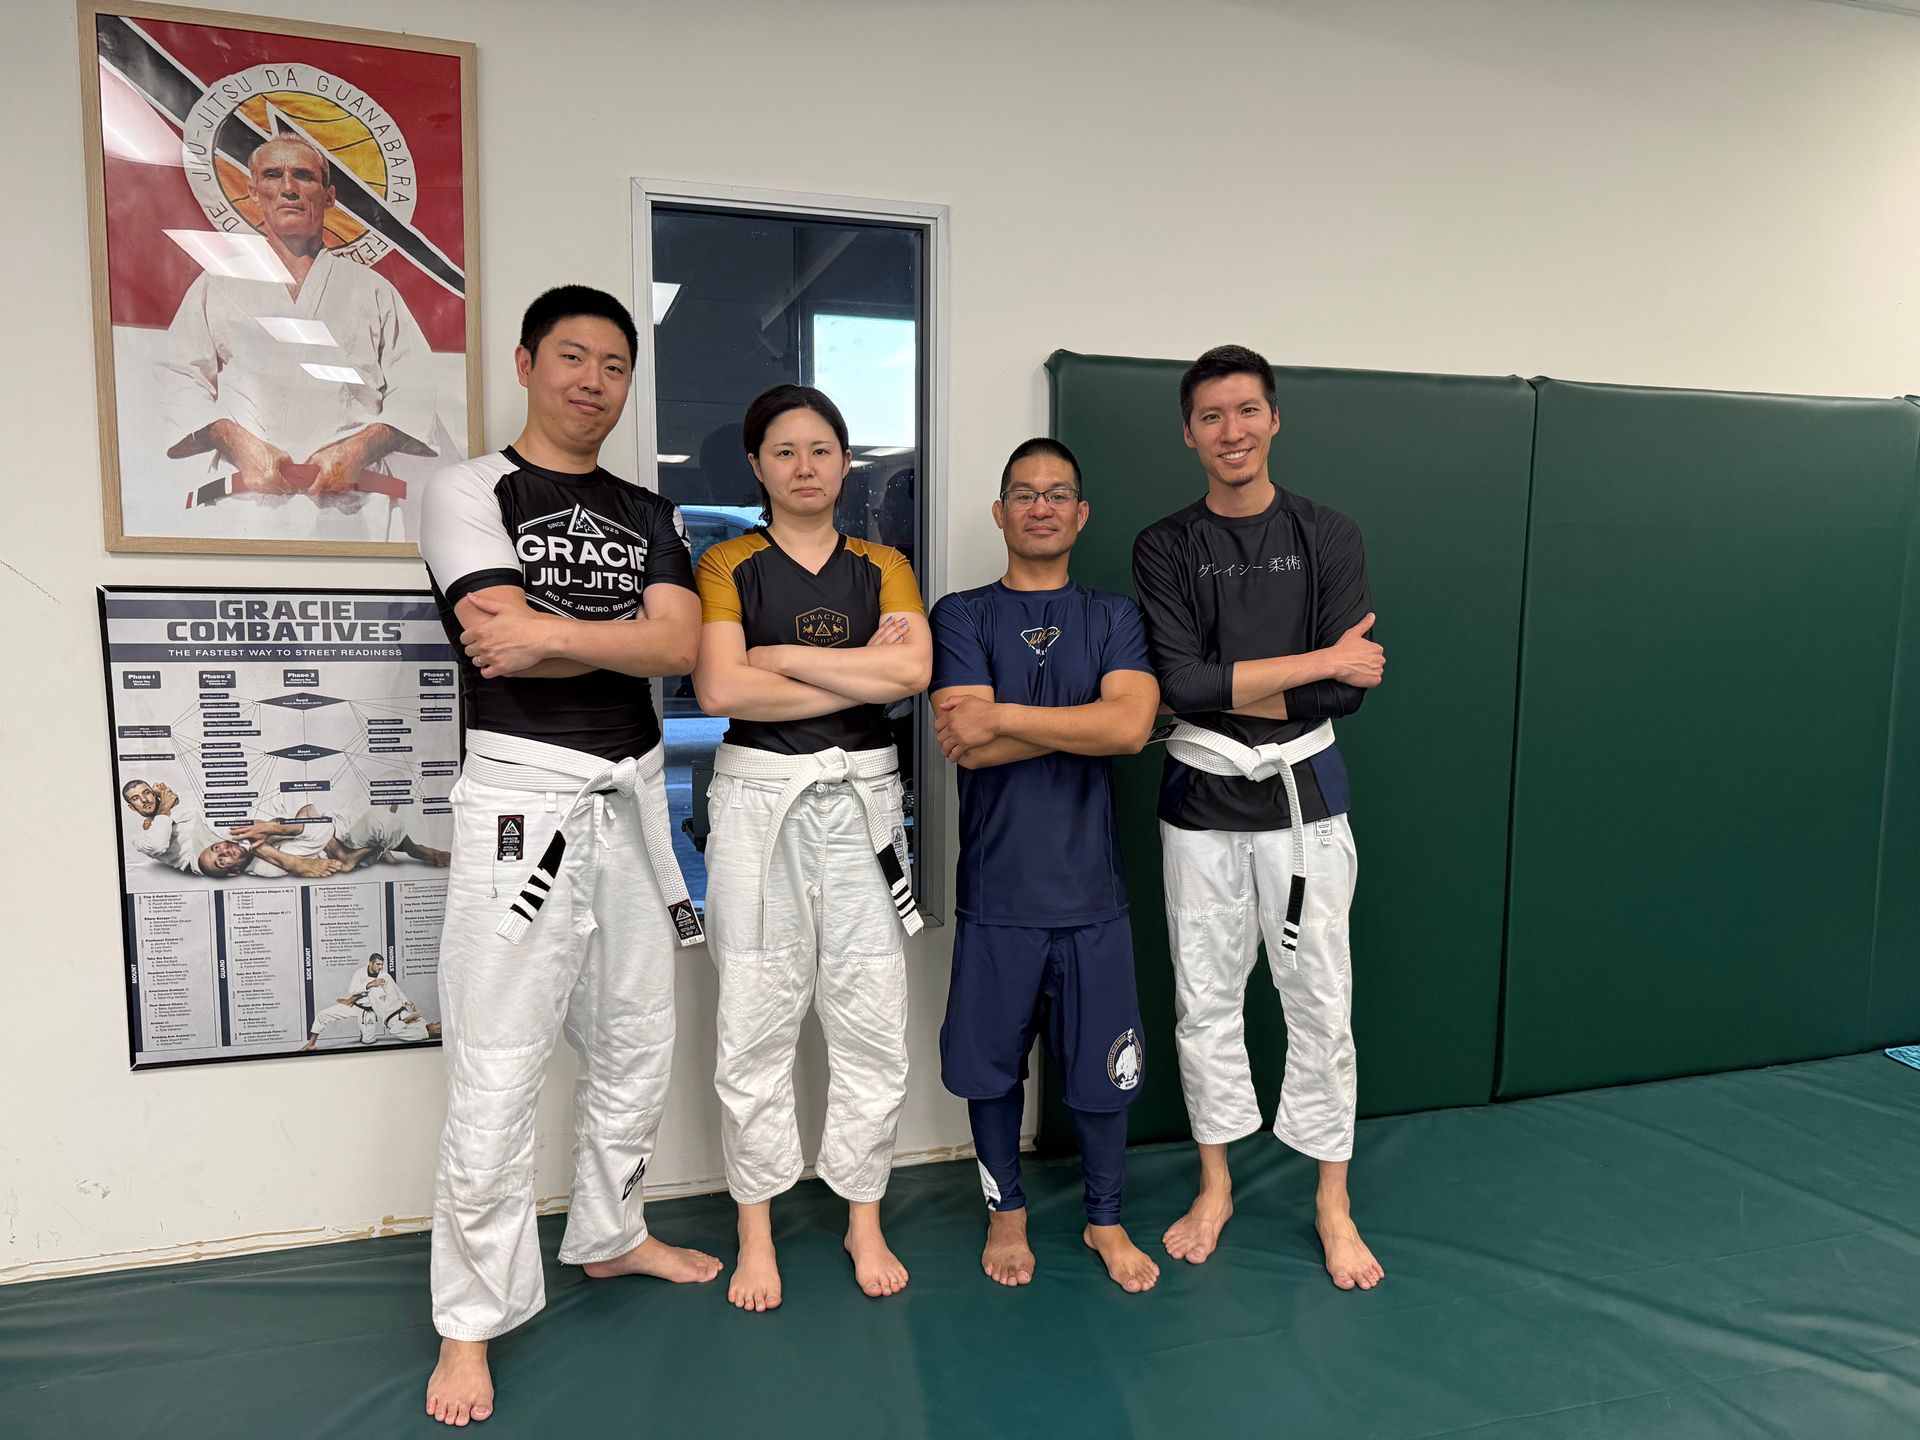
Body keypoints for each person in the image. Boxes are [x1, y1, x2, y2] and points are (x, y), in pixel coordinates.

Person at [418, 285, 720, 1427]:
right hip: (524, 798)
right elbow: (493, 643)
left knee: (639, 1039)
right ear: (527, 363)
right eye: (572, 358)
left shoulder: (651, 509)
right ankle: (470, 1321)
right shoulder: (470, 487)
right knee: (500, 1064)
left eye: (613, 365)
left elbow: (681, 644)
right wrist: (592, 640)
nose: (593, 381)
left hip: (637, 798)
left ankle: (610, 1233)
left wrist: (552, 630)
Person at [1130, 344, 1388, 1291]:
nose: (1230, 432)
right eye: (1211, 417)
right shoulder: (1166, 545)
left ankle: (1332, 1200)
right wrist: (1316, 665)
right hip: (1200, 800)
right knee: (1205, 994)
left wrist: (1296, 684)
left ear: (1274, 420)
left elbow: (1350, 699)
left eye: (1246, 412)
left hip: (1302, 798)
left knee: (1320, 996)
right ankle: (1216, 1183)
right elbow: (1181, 685)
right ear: (1189, 433)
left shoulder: (1329, 534)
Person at [693, 384, 931, 1313]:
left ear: (844, 462)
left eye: (821, 449)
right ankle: (756, 1228)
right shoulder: (727, 561)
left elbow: (910, 674)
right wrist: (849, 676)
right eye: (784, 451)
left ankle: (862, 1214)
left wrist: (779, 659)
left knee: (870, 1015)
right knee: (756, 1010)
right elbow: (717, 692)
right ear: (756, 466)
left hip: (864, 800)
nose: (804, 467)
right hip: (762, 803)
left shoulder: (884, 564)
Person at [929, 438, 1161, 1293]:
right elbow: (964, 739)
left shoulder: (1114, 616)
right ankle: (1007, 1215)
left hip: (1092, 893)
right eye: (1023, 493)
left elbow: (1130, 731)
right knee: (988, 1071)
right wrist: (1080, 716)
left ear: (1080, 513)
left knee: (1106, 1077)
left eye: (1058, 493)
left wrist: (1007, 721)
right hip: (999, 893)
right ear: (999, 512)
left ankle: (1106, 1221)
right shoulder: (959, 613)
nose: (1040, 506)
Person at [155, 133, 441, 543]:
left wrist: (358, 450)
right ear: (254, 192)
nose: (288, 187)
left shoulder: (371, 289)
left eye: (304, 176)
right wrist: (233, 440)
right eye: (273, 175)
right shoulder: (217, 283)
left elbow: (414, 388)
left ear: (329, 196)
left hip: (353, 502)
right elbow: (177, 377)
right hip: (246, 504)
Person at [300, 953, 440, 1049]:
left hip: (371, 1010)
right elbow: (353, 989)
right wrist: (370, 984)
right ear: (370, 963)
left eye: (382, 965)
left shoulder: (384, 976)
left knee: (368, 1040)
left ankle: (351, 1005)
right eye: (378, 964)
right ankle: (311, 1043)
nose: (380, 967)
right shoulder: (360, 972)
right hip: (357, 1005)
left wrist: (406, 1002)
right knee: (323, 1015)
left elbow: (397, 991)